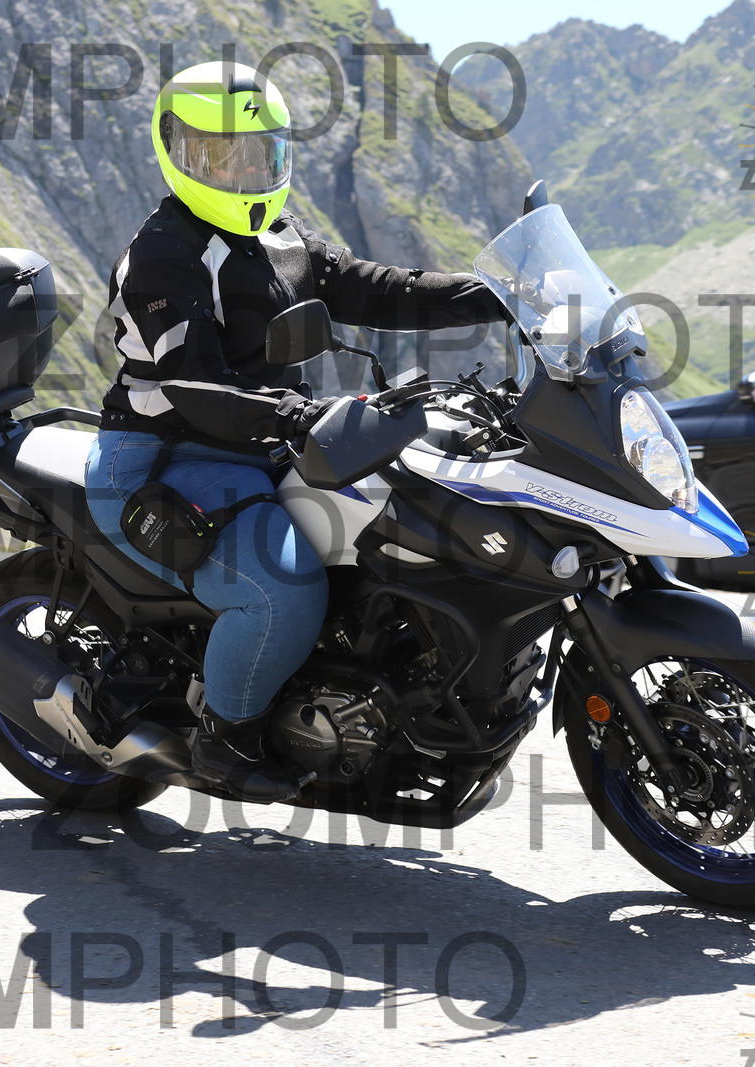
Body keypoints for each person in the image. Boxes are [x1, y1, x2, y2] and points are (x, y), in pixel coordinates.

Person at [85, 61, 508, 802]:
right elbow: (195, 386)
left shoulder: (280, 235)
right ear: (176, 150)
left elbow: (375, 288)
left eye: (258, 153)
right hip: (165, 456)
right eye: (218, 155)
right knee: (281, 591)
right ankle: (224, 737)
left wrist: (495, 296)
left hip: (264, 444)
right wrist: (301, 413)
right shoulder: (162, 256)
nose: (240, 172)